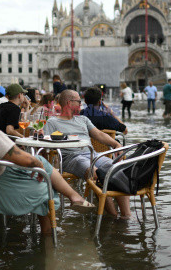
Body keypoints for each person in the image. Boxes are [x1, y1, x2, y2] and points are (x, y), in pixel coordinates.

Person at [0, 87, 95, 235]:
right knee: (46, 185)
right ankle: (49, 233)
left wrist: (37, 164)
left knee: (39, 161)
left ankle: (73, 197)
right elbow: (25, 159)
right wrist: (39, 167)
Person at [43, 89, 131, 219]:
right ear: (69, 102)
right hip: (72, 158)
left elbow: (99, 134)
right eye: (79, 101)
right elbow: (44, 145)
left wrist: (116, 144)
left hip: (92, 155)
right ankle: (113, 216)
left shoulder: (83, 119)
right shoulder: (52, 122)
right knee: (96, 174)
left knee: (118, 169)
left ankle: (126, 217)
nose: (81, 104)